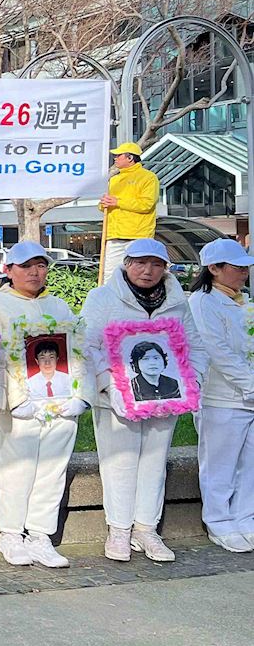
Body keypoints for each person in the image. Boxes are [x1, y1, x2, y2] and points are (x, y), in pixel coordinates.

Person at [81, 239, 207, 563]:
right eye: (140, 262)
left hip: (165, 399)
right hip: (117, 401)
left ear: (166, 268)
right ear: (126, 264)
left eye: (155, 264)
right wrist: (109, 385)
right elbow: (87, 345)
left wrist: (191, 381)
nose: (147, 270)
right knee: (119, 463)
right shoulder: (103, 298)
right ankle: (119, 530)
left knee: (154, 464)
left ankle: (147, 529)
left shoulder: (177, 302)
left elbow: (194, 345)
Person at [0, 241, 91, 569]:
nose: (34, 272)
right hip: (20, 408)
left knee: (52, 470)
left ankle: (40, 534)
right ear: (9, 270)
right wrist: (13, 400)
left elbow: (80, 350)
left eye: (41, 265)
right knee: (16, 470)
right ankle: (10, 533)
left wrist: (81, 396)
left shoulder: (59, 306)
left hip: (60, 404)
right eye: (26, 266)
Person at [188, 238, 254, 553]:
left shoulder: (245, 301)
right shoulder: (202, 302)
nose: (244, 272)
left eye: (246, 267)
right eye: (237, 267)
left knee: (249, 465)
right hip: (220, 398)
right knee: (219, 464)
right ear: (214, 269)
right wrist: (251, 384)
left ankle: (245, 518)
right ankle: (218, 521)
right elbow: (217, 351)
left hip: (248, 396)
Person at [98, 142, 160, 283]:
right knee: (110, 276)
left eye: (118, 155)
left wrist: (117, 202)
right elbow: (104, 205)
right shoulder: (114, 180)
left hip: (138, 236)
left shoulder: (148, 177)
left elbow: (147, 204)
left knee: (139, 275)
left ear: (130, 158)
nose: (115, 158)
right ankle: (110, 297)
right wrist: (103, 204)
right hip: (114, 235)